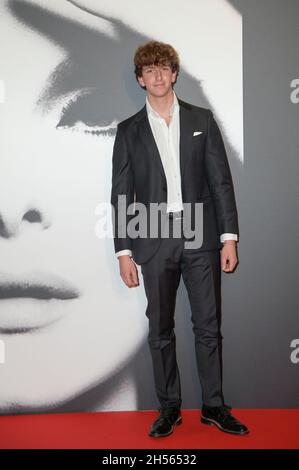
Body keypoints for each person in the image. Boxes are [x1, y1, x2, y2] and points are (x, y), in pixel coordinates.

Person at [111, 40, 249, 437]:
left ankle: (213, 406)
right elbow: (121, 195)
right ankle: (169, 407)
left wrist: (229, 238)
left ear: (174, 74)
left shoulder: (202, 119)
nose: (157, 76)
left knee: (209, 325)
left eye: (163, 68)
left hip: (201, 235)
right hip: (153, 234)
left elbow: (220, 183)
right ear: (140, 80)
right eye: (149, 70)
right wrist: (123, 250)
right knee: (160, 327)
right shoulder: (128, 131)